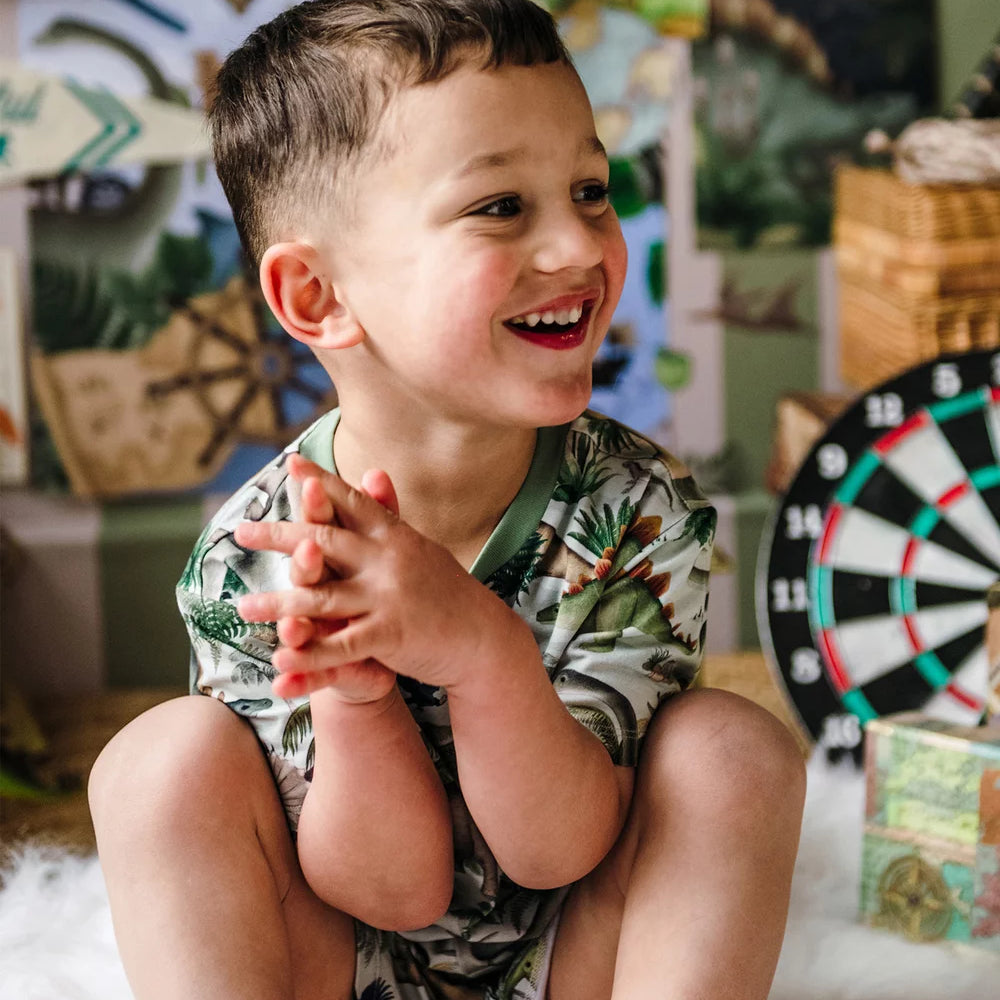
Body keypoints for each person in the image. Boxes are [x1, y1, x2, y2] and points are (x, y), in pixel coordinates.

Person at [88, 2, 806, 998]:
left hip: (579, 952)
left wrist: (475, 646)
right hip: (338, 955)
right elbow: (390, 887)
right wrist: (355, 696)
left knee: (734, 751)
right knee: (156, 765)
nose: (578, 245)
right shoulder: (253, 562)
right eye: (500, 206)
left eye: (589, 189)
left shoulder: (634, 507)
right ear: (318, 298)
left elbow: (557, 849)